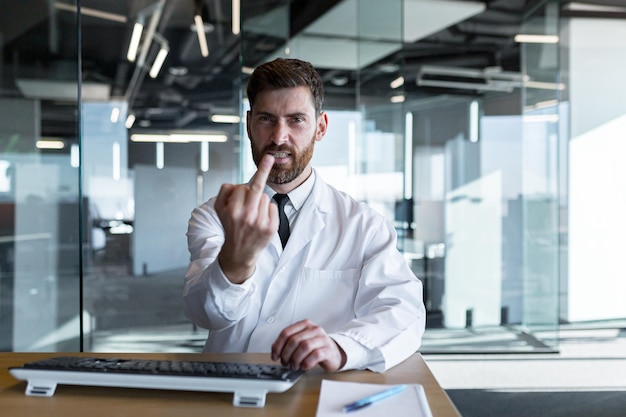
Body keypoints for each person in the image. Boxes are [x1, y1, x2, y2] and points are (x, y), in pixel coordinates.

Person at [183, 58, 426, 373]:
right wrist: (236, 262)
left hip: (319, 387)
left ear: (320, 127)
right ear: (248, 124)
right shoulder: (214, 215)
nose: (279, 136)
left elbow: (404, 313)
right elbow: (206, 314)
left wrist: (342, 347)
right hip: (231, 384)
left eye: (296, 119)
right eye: (266, 119)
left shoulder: (363, 224)